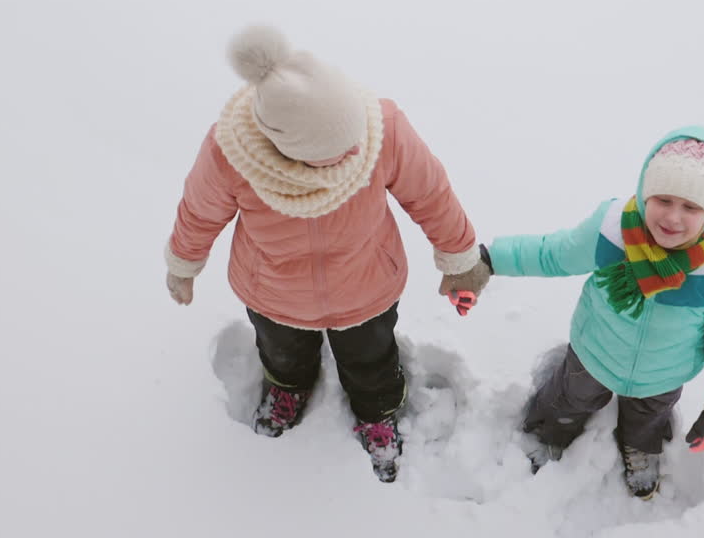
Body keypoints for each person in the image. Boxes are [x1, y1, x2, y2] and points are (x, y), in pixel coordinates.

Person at [163, 25, 490, 483]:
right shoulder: (231, 153)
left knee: (371, 361)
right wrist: (184, 264)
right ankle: (288, 388)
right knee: (282, 354)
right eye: (337, 153)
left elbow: (430, 193)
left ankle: (377, 410)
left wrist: (461, 258)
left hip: (366, 287)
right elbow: (199, 212)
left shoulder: (382, 130)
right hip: (274, 293)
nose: (357, 151)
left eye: (356, 139)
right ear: (289, 153)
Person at [479, 127, 704, 499]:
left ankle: (640, 446)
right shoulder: (612, 231)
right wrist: (490, 260)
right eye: (663, 199)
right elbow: (553, 254)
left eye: (690, 207)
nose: (673, 217)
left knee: (646, 420)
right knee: (568, 398)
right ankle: (552, 427)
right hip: (594, 352)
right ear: (644, 193)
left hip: (662, 376)